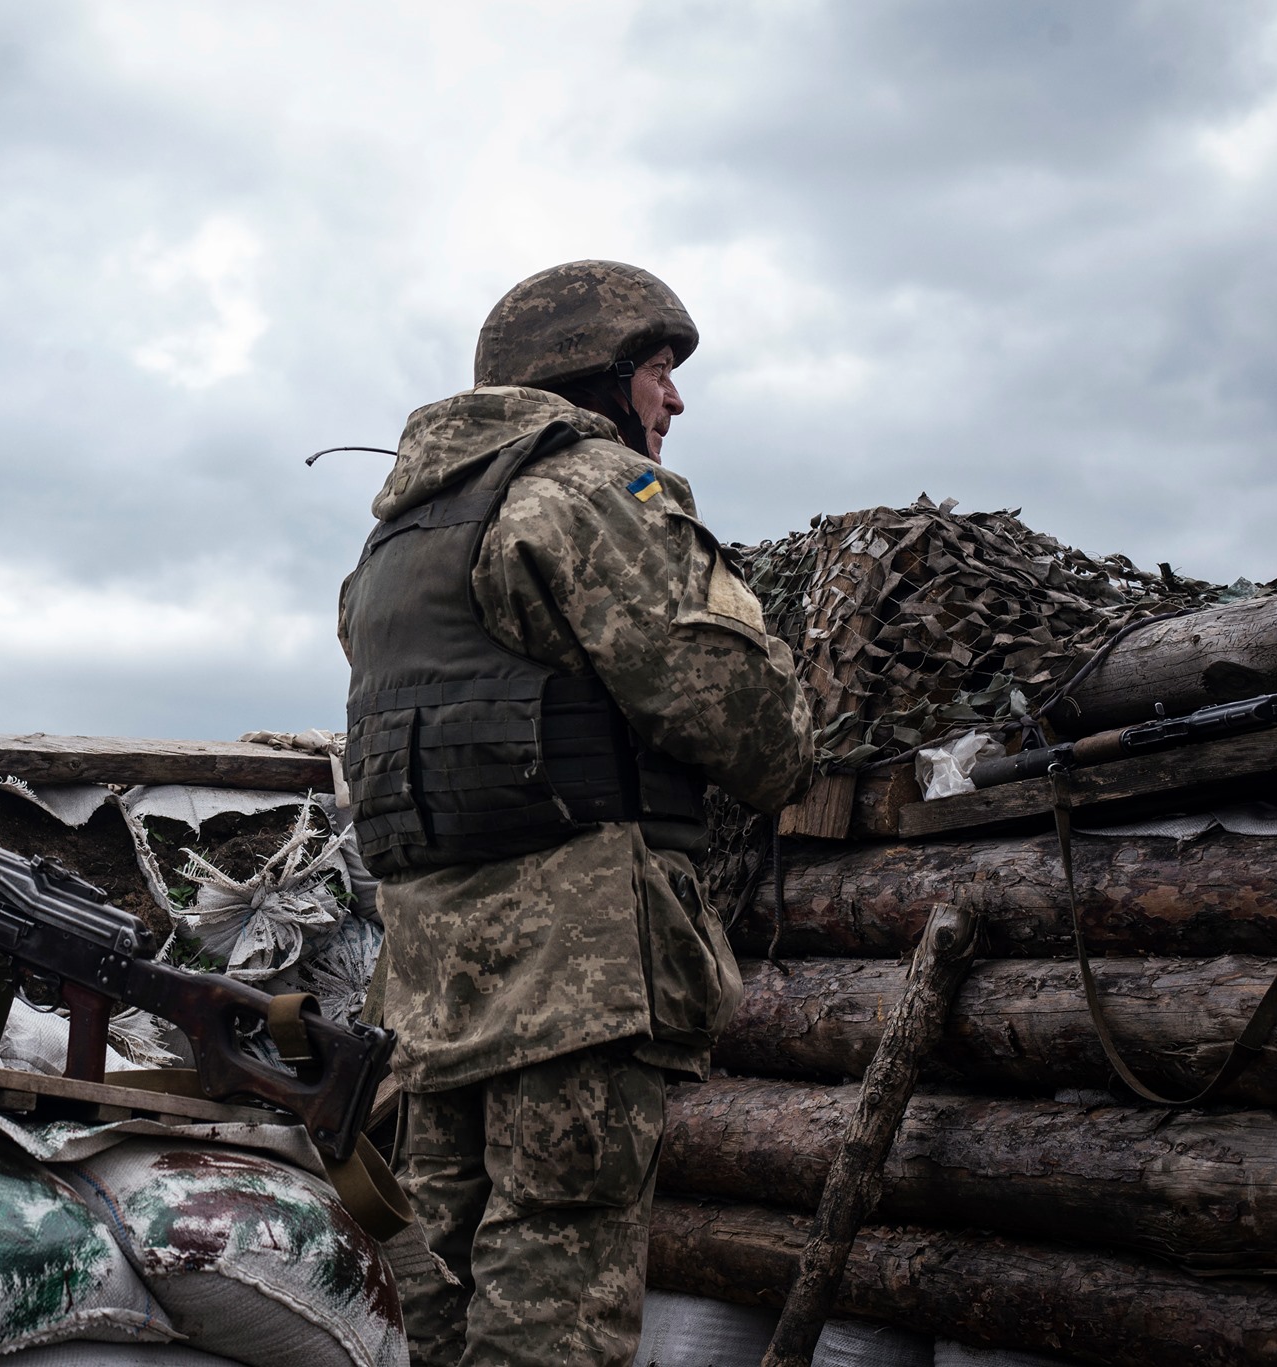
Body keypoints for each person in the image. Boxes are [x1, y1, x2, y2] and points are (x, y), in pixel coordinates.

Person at [338, 260, 814, 1366]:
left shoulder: (394, 543)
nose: (674, 401)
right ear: (592, 378)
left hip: (427, 983)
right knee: (556, 1287)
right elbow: (749, 723)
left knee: (433, 1290)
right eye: (656, 370)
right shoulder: (585, 490)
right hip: (575, 967)